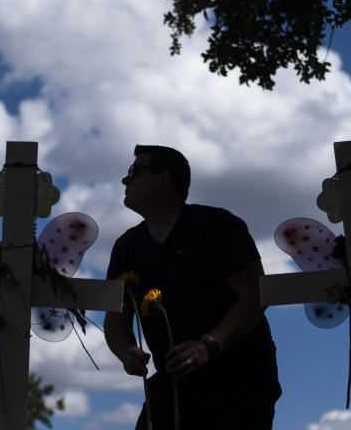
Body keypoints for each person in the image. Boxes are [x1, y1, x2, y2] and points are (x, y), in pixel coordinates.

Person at [105, 145, 281, 429]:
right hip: (174, 384)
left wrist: (207, 345)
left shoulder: (218, 226)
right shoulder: (126, 247)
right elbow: (115, 321)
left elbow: (256, 296)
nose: (125, 181)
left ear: (163, 178)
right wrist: (125, 351)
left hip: (239, 381)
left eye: (133, 172)